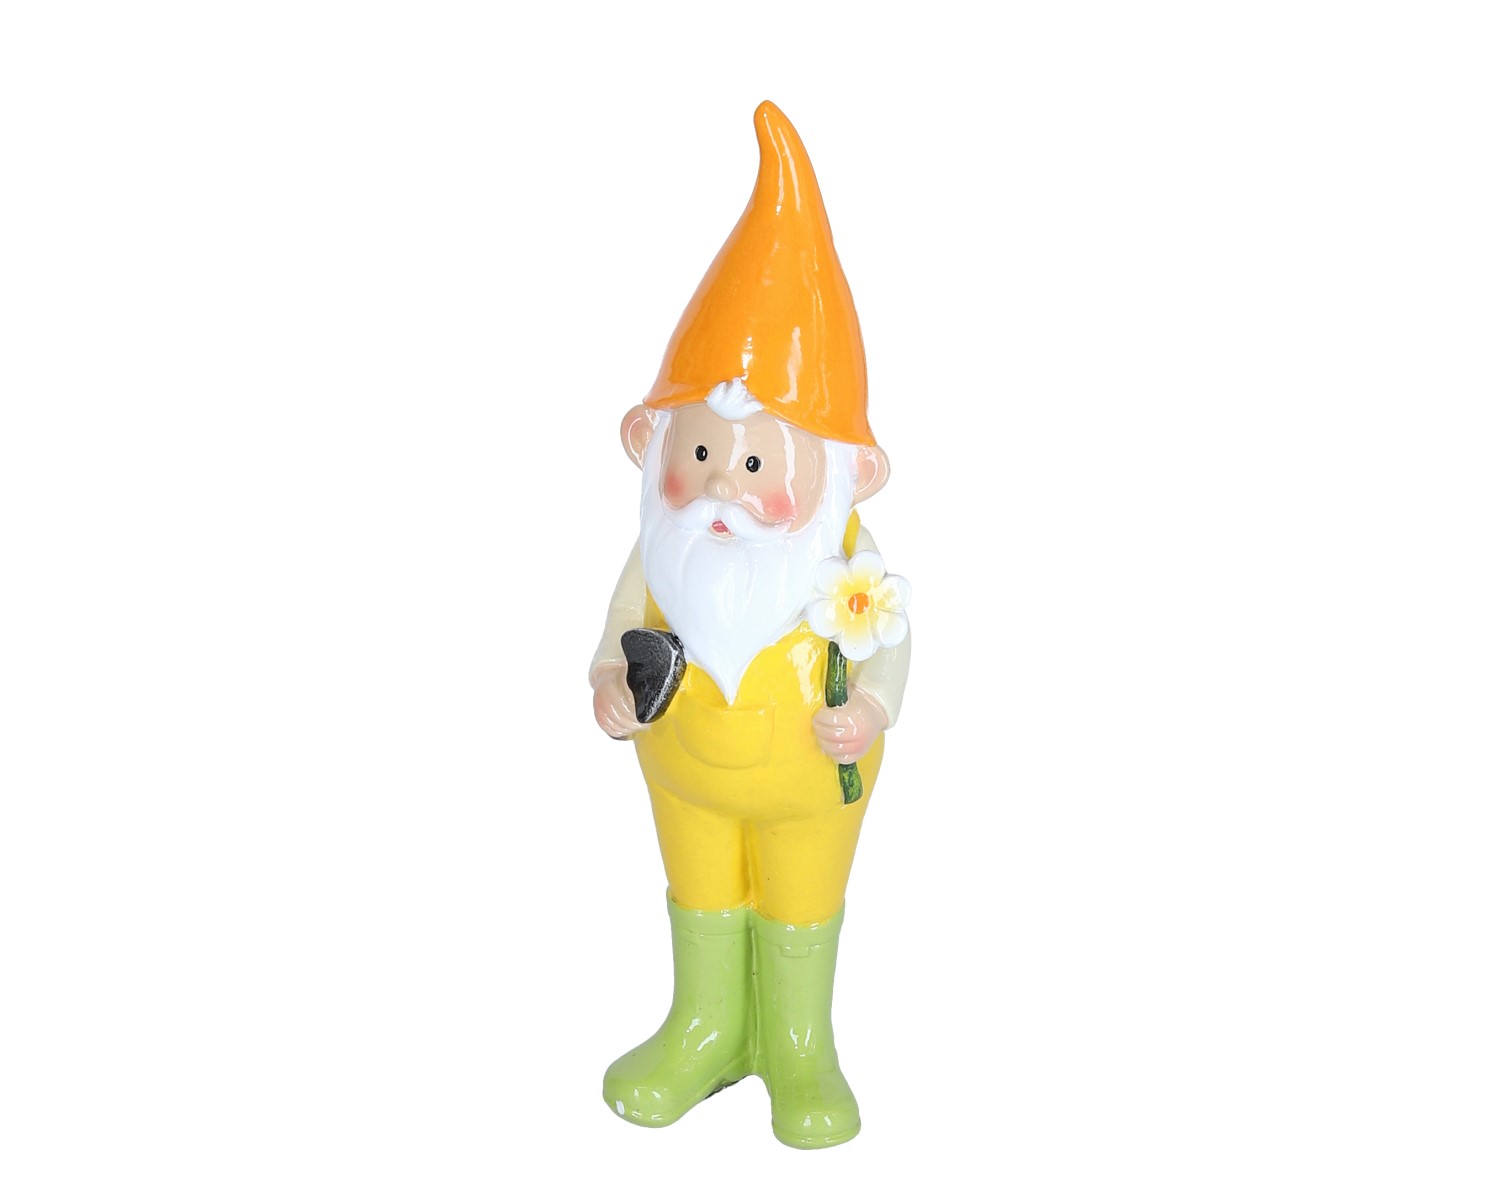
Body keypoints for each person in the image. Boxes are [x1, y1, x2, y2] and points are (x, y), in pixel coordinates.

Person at [589, 101, 910, 1150]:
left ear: (848, 473)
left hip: (808, 781)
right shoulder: (662, 554)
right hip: (685, 770)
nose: (723, 485)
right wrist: (608, 680)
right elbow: (622, 626)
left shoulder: (847, 565)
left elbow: (889, 646)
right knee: (699, 889)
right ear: (649, 443)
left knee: (801, 900)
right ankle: (707, 1025)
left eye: (758, 460)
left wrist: (870, 709)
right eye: (700, 455)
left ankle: (799, 1046)